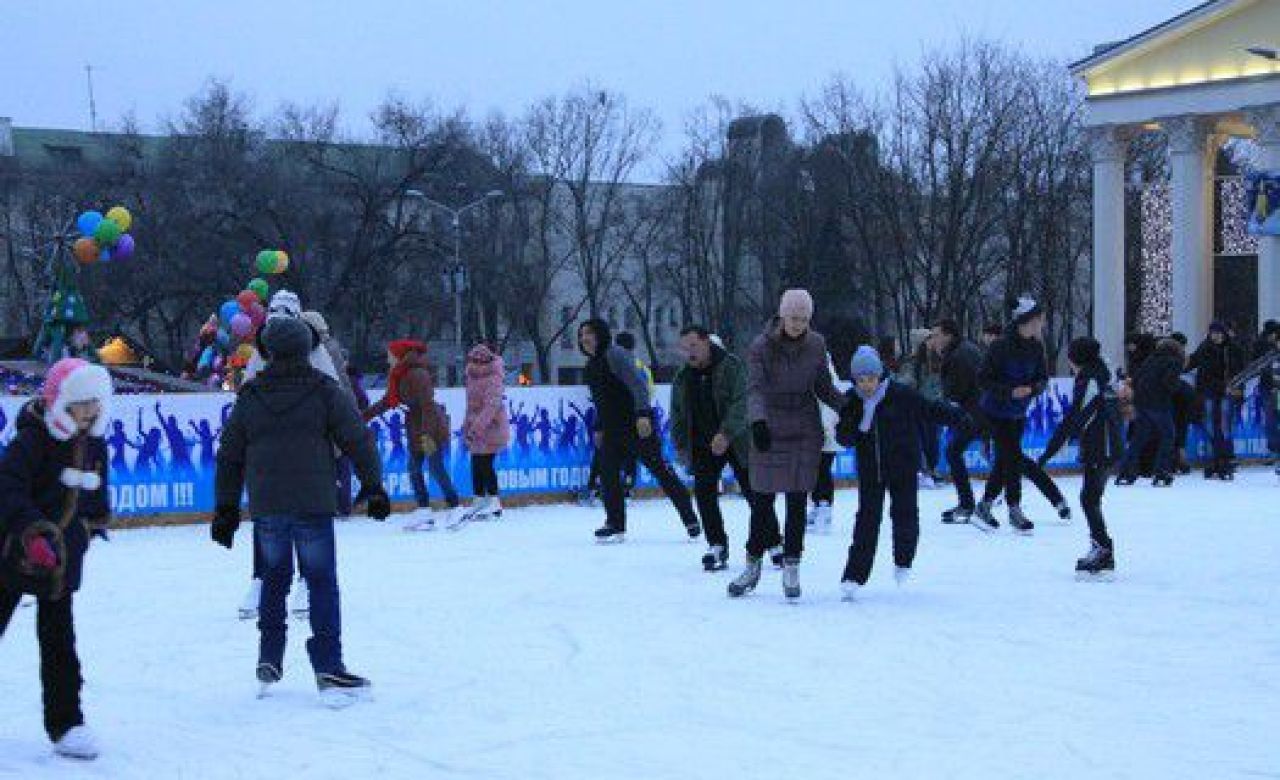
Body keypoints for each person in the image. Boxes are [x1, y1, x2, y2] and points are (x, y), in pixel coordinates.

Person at [212, 317, 391, 706]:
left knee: (274, 580)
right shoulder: (324, 391)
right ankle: (328, 666)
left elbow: (229, 457)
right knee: (321, 581)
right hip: (313, 502)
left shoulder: (251, 395)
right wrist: (373, 485)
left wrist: (225, 508)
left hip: (268, 505)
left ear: (267, 352)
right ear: (308, 350)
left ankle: (269, 656)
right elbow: (358, 439)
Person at [0, 358, 113, 760]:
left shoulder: (94, 440)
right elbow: (8, 491)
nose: (91, 411)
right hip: (13, 555)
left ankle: (67, 724)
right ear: (60, 403)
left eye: (96, 402)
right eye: (82, 403)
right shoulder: (32, 441)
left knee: (59, 641)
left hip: (61, 561)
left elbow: (97, 484)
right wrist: (33, 532)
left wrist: (93, 521)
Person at [728, 289, 847, 600]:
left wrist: (846, 407)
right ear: (782, 316)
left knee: (797, 501)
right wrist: (757, 422)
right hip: (770, 424)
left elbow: (823, 386)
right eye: (794, 318)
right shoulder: (761, 346)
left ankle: (792, 564)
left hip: (805, 428)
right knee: (762, 502)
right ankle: (752, 563)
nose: (798, 325)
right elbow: (754, 389)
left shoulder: (816, 344)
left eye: (804, 319)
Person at [835, 346, 965, 600]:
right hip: (871, 471)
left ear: (880, 375)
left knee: (905, 515)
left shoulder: (900, 394)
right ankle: (854, 576)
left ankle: (903, 560)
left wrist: (960, 418)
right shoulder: (851, 400)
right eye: (860, 380)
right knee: (866, 522)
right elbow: (844, 438)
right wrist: (857, 421)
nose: (867, 385)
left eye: (871, 379)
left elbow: (930, 409)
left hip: (903, 467)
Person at [578, 319, 701, 543]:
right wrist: (598, 427)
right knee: (608, 476)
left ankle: (689, 516)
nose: (584, 338)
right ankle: (615, 523)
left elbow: (638, 384)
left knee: (660, 471)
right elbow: (601, 401)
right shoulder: (591, 366)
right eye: (582, 334)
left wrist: (643, 414)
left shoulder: (615, 355)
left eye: (589, 333)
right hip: (611, 430)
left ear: (601, 335)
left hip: (636, 426)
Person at [671, 325, 775, 572]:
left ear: (707, 342)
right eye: (684, 349)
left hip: (737, 439)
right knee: (705, 494)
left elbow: (743, 401)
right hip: (702, 444)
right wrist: (680, 443)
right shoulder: (683, 376)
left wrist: (726, 433)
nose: (689, 353)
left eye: (693, 346)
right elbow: (677, 412)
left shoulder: (732, 366)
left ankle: (773, 541)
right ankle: (717, 544)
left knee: (754, 492)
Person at [972, 297, 1067, 535]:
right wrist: (1009, 392)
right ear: (1025, 321)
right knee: (1012, 457)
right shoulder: (1000, 346)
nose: (1041, 324)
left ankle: (984, 505)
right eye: (1038, 320)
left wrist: (1033, 389)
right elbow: (983, 379)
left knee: (1006, 458)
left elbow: (1042, 377)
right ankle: (1014, 508)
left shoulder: (1036, 346)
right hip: (995, 411)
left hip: (1018, 412)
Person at [1038, 337, 1122, 580]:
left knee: (1089, 498)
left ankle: (1102, 549)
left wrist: (1049, 452)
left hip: (1101, 446)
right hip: (1103, 445)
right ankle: (1102, 547)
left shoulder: (1090, 380)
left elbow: (1077, 417)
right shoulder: (1101, 373)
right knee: (1090, 497)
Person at [363, 339, 457, 528]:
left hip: (429, 431)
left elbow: (427, 406)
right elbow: (388, 401)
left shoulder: (418, 374)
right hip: (416, 430)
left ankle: (455, 506)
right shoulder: (399, 375)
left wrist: (426, 434)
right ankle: (424, 510)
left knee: (435, 468)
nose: (388, 359)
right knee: (414, 469)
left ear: (398, 355)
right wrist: (363, 417)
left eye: (390, 355)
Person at [933, 319, 986, 524]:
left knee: (953, 452)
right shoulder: (966, 349)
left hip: (975, 413)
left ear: (948, 335)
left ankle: (970, 504)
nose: (934, 340)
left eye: (937, 335)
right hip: (981, 411)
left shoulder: (957, 356)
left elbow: (956, 392)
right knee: (954, 451)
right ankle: (973, 503)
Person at [1115, 338, 1183, 486]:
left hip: (1141, 402)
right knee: (1168, 436)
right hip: (1159, 403)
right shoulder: (1174, 361)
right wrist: (1178, 387)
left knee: (1140, 437)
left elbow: (1137, 378)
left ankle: (1126, 471)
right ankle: (1162, 471)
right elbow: (1169, 382)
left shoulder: (1150, 359)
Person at [1188, 322, 1247, 479]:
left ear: (1225, 333)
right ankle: (1219, 458)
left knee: (1225, 426)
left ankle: (1225, 458)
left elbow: (1241, 371)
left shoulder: (1234, 349)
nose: (1216, 336)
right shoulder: (1205, 348)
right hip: (1210, 392)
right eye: (1213, 333)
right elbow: (1200, 370)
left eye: (1219, 333)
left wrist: (1239, 390)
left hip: (1228, 393)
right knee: (1211, 426)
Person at [462, 343, 511, 522]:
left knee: (485, 464)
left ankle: (494, 502)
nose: (475, 364)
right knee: (475, 463)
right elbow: (470, 406)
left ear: (486, 361)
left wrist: (475, 429)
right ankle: (479, 500)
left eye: (478, 361)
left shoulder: (494, 378)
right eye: (472, 360)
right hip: (476, 429)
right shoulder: (471, 377)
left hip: (492, 427)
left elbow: (491, 406)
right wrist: (466, 427)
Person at [808, 353, 840, 533]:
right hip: (814, 432)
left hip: (825, 434)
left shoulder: (827, 380)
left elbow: (829, 408)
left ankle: (824, 506)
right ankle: (818, 505)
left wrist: (825, 430)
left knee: (822, 470)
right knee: (815, 471)